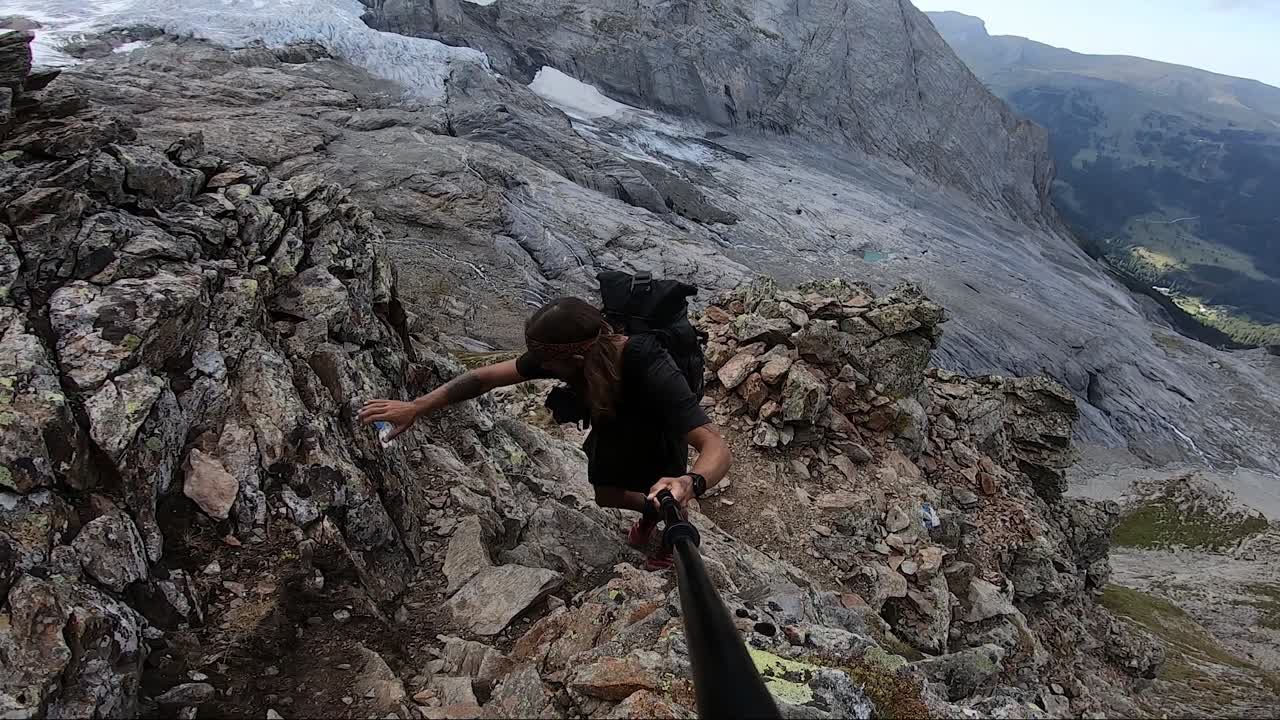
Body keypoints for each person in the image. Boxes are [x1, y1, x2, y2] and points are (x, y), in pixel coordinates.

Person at [358, 297, 731, 570]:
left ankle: (667, 538)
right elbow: (482, 378)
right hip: (612, 423)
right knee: (606, 494)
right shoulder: (565, 355)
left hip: (658, 431)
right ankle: (651, 514)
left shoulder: (651, 365)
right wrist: (417, 407)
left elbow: (714, 444)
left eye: (548, 365)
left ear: (575, 360)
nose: (540, 368)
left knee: (666, 490)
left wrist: (690, 481)